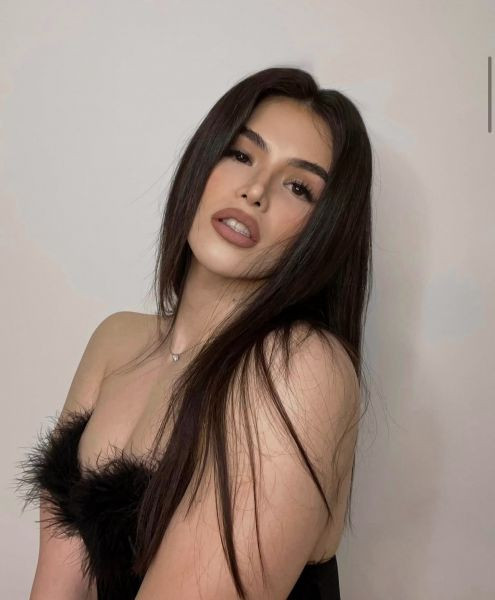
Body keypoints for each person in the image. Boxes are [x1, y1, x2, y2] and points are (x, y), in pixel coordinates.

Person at [17, 66, 372, 599]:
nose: (255, 191)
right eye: (241, 155)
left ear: (325, 232)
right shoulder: (116, 341)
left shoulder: (302, 365)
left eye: (299, 187)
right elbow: (56, 587)